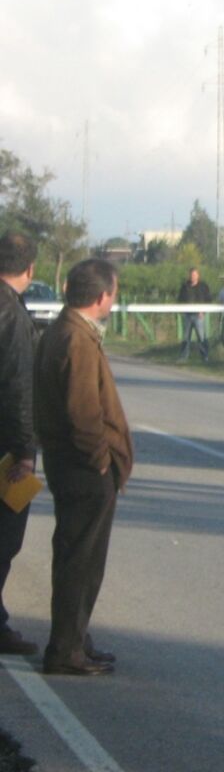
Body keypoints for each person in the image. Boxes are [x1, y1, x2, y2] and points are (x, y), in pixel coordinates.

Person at [35, 259, 133, 675]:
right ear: (101, 296)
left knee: (81, 560)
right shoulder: (76, 338)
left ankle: (75, 638)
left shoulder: (67, 330)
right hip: (82, 469)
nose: (113, 300)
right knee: (80, 561)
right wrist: (101, 463)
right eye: (113, 293)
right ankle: (65, 650)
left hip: (71, 465)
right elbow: (83, 413)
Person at [0, 230, 41, 656]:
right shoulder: (10, 313)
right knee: (5, 539)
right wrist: (26, 451)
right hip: (5, 447)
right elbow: (18, 388)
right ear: (30, 269)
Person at [177, 267, 211, 361]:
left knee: (201, 336)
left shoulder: (203, 286)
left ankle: (205, 356)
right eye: (191, 275)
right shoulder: (185, 286)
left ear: (198, 276)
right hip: (187, 315)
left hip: (199, 316)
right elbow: (180, 299)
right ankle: (183, 357)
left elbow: (208, 300)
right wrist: (182, 311)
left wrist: (203, 312)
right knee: (185, 337)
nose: (193, 277)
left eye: (195, 275)